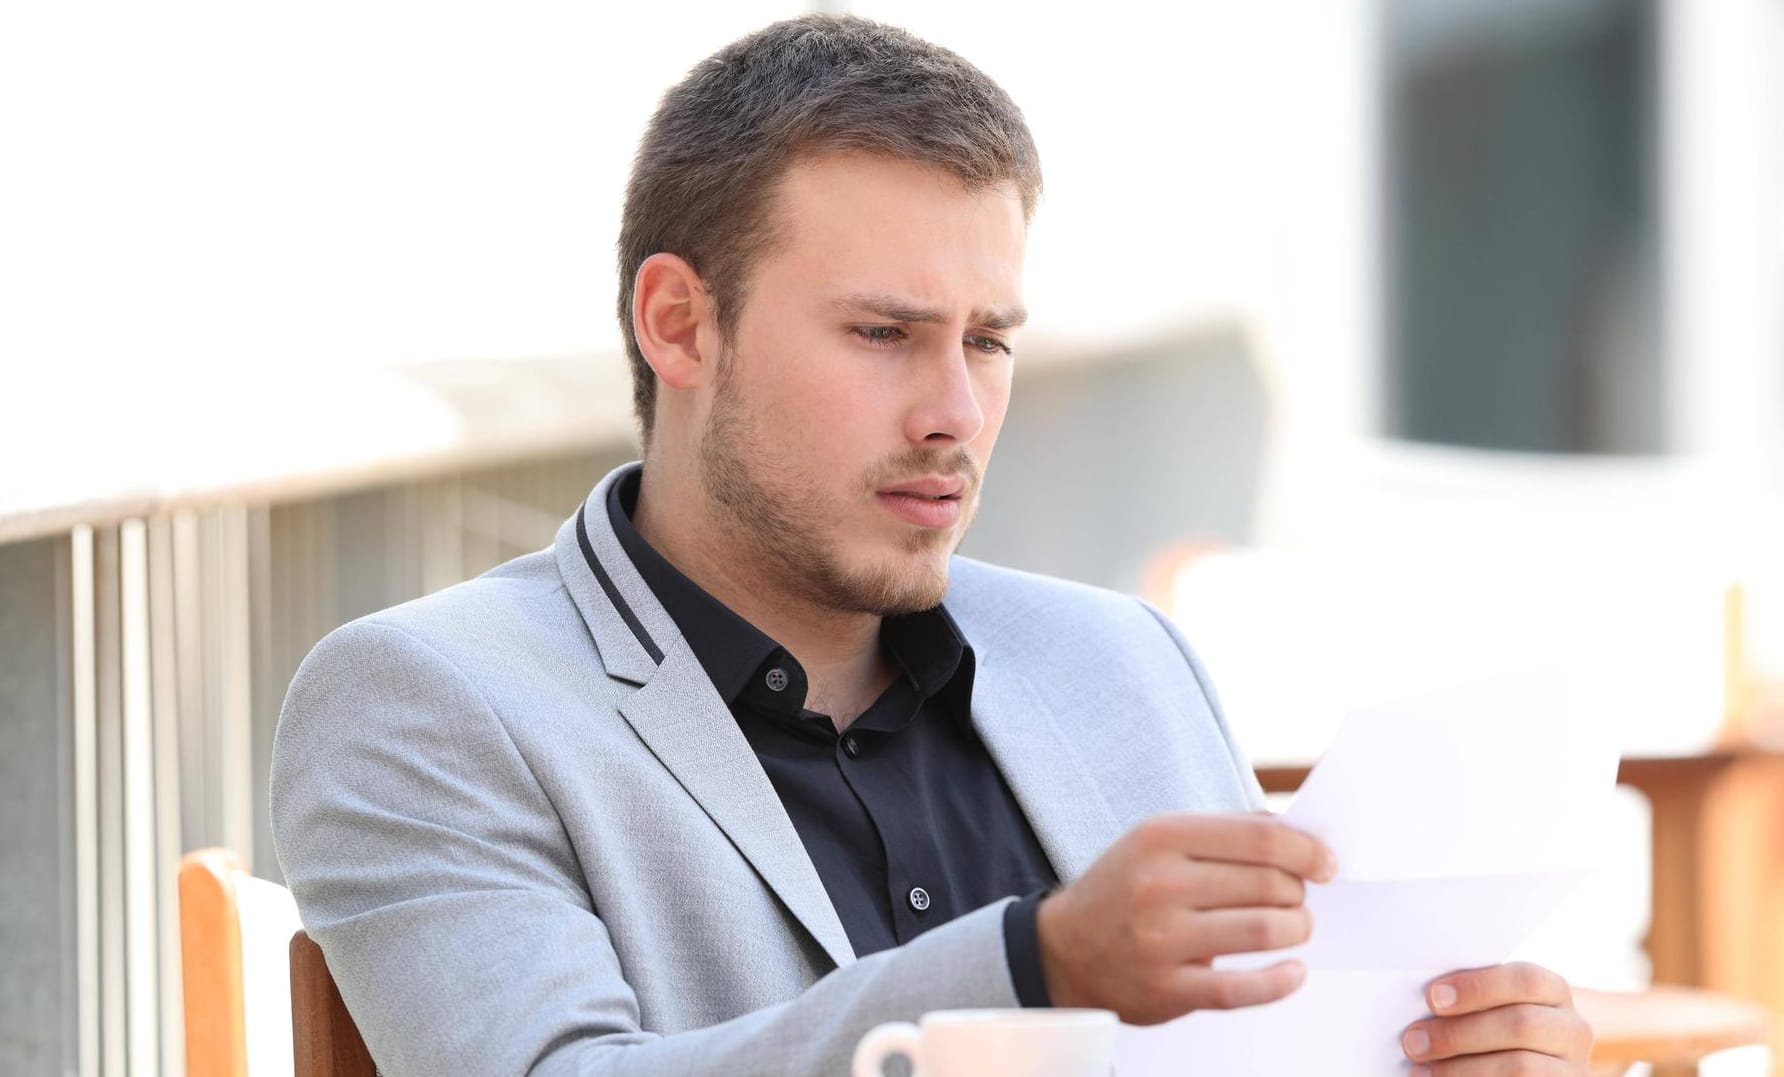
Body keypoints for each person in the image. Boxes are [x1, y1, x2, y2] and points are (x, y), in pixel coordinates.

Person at [271, 14, 1594, 1076]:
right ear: (680, 325)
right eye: (884, 334)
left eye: (988, 340)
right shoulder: (428, 701)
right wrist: (1032, 970)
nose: (956, 412)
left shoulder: (1123, 660)